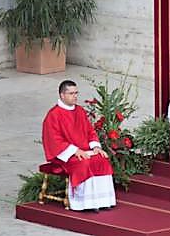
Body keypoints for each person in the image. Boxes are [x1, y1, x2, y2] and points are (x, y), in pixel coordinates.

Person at [42, 80, 116, 212]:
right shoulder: (53, 115)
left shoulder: (80, 111)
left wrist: (96, 147)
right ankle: (84, 203)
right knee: (84, 163)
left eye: (76, 93)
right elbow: (54, 140)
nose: (75, 96)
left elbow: (90, 131)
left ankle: (101, 201)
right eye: (71, 93)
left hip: (85, 151)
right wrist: (75, 151)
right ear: (62, 95)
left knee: (101, 159)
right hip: (65, 155)